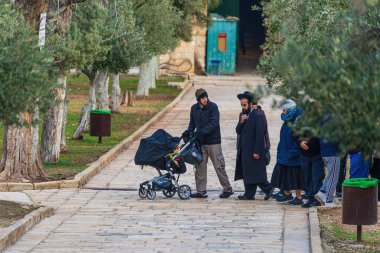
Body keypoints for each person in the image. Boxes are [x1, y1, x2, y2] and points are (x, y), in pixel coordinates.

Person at [184, 88, 234, 198]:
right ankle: (201, 191)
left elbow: (214, 123)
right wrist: (189, 133)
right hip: (200, 144)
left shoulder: (213, 107)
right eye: (202, 98)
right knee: (200, 167)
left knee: (219, 166)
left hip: (213, 142)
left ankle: (227, 189)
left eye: (206, 97)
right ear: (198, 100)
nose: (205, 100)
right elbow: (192, 123)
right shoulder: (194, 109)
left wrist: (201, 132)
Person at [235, 91, 274, 200]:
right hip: (245, 149)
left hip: (254, 150)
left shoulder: (257, 115)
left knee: (256, 172)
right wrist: (241, 122)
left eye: (245, 105)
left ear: (251, 104)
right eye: (241, 105)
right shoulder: (243, 115)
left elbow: (260, 135)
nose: (243, 107)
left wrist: (257, 151)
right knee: (248, 171)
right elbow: (238, 131)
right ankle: (249, 193)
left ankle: (268, 188)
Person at [270, 99, 305, 205]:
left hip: (292, 155)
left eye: (285, 110)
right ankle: (286, 193)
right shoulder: (287, 121)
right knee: (284, 175)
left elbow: (298, 140)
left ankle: (299, 198)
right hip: (284, 153)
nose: (283, 112)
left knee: (296, 177)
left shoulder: (297, 122)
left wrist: (292, 153)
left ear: (290, 110)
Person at [298, 133, 325, 208]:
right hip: (304, 154)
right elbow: (294, 133)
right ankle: (310, 197)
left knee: (317, 177)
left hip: (317, 154)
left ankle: (316, 198)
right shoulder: (300, 121)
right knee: (307, 176)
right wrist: (300, 142)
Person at [315, 140, 341, 207]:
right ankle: (329, 201)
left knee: (331, 175)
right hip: (333, 153)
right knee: (333, 178)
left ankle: (322, 192)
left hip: (325, 153)